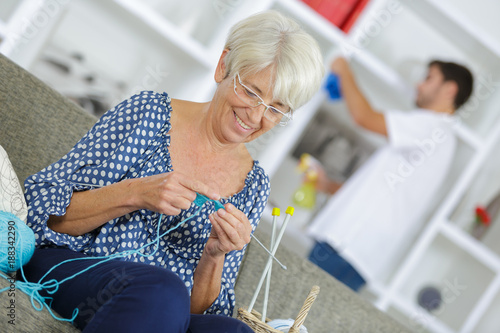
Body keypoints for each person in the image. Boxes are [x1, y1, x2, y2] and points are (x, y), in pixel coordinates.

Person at [22, 10, 324, 333]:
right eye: (251, 92)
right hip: (79, 266)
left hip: (165, 314)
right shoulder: (148, 113)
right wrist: (136, 193)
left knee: (234, 331)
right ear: (224, 66)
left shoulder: (253, 185)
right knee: (162, 291)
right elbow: (41, 211)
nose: (256, 115)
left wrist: (214, 255)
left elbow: (199, 313)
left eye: (276, 108)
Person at [307, 57, 473, 292]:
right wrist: (328, 186)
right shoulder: (437, 137)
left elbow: (363, 117)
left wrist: (345, 71)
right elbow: (383, 195)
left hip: (345, 248)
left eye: (428, 78)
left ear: (450, 89)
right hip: (351, 251)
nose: (419, 85)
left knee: (291, 319)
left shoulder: (434, 128)